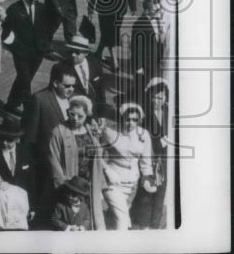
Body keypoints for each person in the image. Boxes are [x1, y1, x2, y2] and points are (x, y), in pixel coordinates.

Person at [46, 95, 104, 230]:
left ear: (87, 115)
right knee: (70, 219)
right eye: (72, 114)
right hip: (70, 185)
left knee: (88, 218)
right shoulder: (58, 131)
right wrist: (65, 188)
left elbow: (98, 155)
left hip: (88, 182)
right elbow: (53, 161)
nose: (75, 119)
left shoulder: (90, 130)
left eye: (80, 116)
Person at [95, 102, 155, 230]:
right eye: (128, 119)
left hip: (132, 184)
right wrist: (108, 171)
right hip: (112, 181)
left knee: (122, 219)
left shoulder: (144, 134)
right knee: (122, 219)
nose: (131, 123)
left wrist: (147, 178)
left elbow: (146, 161)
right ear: (121, 118)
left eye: (135, 120)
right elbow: (97, 155)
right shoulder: (110, 133)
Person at [1, 0, 46, 116]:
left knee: (24, 79)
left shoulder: (41, 8)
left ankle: (11, 104)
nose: (33, 2)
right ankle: (28, 108)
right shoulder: (14, 9)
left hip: (38, 51)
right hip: (21, 52)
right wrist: (14, 47)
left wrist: (45, 45)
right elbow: (5, 33)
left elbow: (46, 29)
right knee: (25, 78)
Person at [130, 79, 169, 229]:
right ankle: (143, 224)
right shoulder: (143, 115)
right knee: (146, 191)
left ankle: (155, 224)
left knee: (161, 190)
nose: (156, 101)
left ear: (165, 98)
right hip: (148, 159)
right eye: (154, 97)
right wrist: (162, 142)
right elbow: (142, 138)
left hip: (163, 160)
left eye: (160, 97)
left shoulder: (168, 112)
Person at [23, 62, 77, 153]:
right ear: (55, 83)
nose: (71, 89)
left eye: (73, 86)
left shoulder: (76, 98)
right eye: (67, 86)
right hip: (48, 155)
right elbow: (29, 135)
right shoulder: (39, 100)